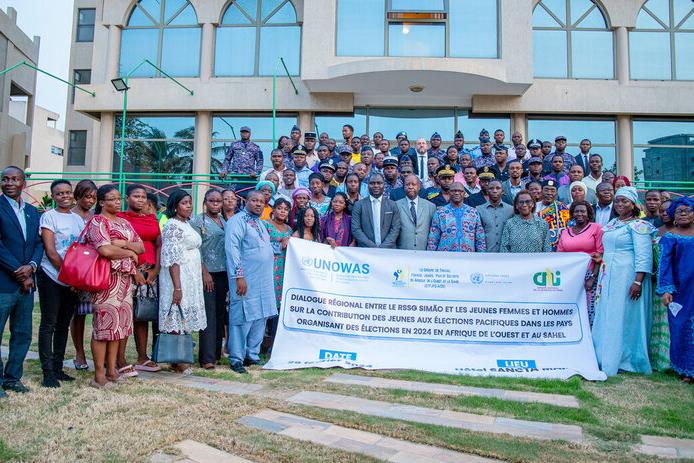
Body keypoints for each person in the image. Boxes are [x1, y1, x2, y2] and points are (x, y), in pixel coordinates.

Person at [592, 187, 655, 376]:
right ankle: (603, 355)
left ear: (633, 204)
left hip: (626, 275)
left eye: (624, 201)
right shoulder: (613, 223)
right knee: (607, 311)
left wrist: (638, 282)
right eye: (617, 201)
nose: (620, 204)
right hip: (607, 273)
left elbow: (644, 255)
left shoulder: (639, 225)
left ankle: (626, 358)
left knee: (622, 313)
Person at [85, 185, 143, 388]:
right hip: (106, 281)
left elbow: (141, 246)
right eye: (112, 199)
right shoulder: (98, 222)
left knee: (118, 327)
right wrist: (130, 252)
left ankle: (112, 370)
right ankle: (99, 374)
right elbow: (105, 250)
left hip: (125, 281)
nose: (118, 202)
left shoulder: (124, 222)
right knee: (104, 328)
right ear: (102, 202)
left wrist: (123, 244)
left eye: (119, 199)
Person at [0, 166, 42, 396]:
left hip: (26, 285)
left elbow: (37, 243)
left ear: (23, 183)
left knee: (22, 334)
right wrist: (20, 272)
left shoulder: (32, 211)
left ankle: (12, 378)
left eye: (14, 179)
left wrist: (32, 266)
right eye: (5, 179)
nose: (9, 183)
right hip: (4, 283)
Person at [36, 180, 82, 387]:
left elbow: (81, 250)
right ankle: (47, 372)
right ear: (53, 196)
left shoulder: (77, 219)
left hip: (71, 280)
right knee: (49, 324)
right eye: (59, 193)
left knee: (63, 324)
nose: (64, 196)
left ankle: (58, 368)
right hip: (52, 276)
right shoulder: (49, 217)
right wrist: (68, 276)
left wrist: (76, 278)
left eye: (68, 192)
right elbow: (51, 251)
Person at [225, 190, 277, 373]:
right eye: (254, 200)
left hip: (263, 280)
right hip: (245, 278)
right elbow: (232, 249)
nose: (258, 204)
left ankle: (252, 354)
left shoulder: (260, 223)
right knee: (242, 316)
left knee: (260, 315)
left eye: (261, 201)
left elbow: (265, 247)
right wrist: (239, 276)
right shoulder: (237, 221)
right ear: (246, 201)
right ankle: (236, 358)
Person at [117, 184, 163, 376]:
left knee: (142, 314)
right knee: (125, 316)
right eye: (136, 196)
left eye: (143, 197)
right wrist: (134, 270)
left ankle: (142, 357)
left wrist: (156, 270)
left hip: (150, 273)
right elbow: (119, 246)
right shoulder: (120, 218)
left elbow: (159, 244)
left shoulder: (152, 218)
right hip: (128, 272)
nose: (140, 200)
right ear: (127, 198)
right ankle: (119, 359)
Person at [159, 190, 206, 375]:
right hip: (178, 278)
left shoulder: (186, 223)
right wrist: (177, 287)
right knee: (176, 315)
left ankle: (181, 356)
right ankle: (176, 359)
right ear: (175, 205)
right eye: (184, 203)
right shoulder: (172, 225)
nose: (189, 206)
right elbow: (172, 259)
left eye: (190, 202)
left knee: (184, 315)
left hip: (191, 276)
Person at [190, 190, 229, 369]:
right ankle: (206, 358)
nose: (215, 204)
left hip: (223, 272)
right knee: (209, 314)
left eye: (218, 201)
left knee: (220, 313)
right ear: (205, 202)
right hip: (207, 273)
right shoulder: (198, 221)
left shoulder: (224, 221)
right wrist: (204, 273)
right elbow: (196, 249)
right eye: (212, 201)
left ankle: (216, 353)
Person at [657, 197, 694, 383]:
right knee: (681, 327)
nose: (684, 214)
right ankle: (686, 370)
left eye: (688, 210)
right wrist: (666, 290)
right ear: (674, 215)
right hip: (680, 291)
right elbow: (664, 265)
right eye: (679, 211)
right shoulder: (670, 237)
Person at [557, 201, 604, 326]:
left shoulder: (596, 228)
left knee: (589, 308)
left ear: (588, 214)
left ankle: (589, 335)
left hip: (590, 275)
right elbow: (560, 256)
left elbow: (600, 253)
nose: (579, 214)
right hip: (570, 277)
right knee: (571, 307)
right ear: (572, 214)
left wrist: (593, 277)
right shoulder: (565, 232)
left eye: (583, 211)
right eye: (576, 211)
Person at [69, 179, 97, 370]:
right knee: (78, 314)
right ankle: (79, 353)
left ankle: (99, 353)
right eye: (87, 196)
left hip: (95, 270)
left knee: (98, 313)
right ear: (78, 195)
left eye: (93, 197)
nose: (90, 201)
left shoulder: (96, 216)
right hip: (77, 270)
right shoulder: (70, 215)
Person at [262, 198, 292, 352]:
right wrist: (280, 245)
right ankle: (257, 345)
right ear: (273, 210)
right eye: (279, 208)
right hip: (267, 269)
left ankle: (273, 346)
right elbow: (261, 245)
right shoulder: (265, 225)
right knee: (264, 306)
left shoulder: (289, 229)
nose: (282, 211)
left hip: (283, 271)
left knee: (278, 309)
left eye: (286, 209)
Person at [427, 182, 486, 252]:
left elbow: (480, 238)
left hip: (468, 256)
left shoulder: (473, 212)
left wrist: (481, 254)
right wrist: (431, 256)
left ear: (464, 193)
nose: (457, 193)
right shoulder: (440, 213)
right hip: (445, 256)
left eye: (460, 191)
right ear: (449, 192)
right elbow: (433, 238)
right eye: (453, 191)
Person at [650, 199, 673, 373]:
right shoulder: (656, 232)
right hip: (656, 283)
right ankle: (658, 359)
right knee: (659, 322)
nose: (664, 213)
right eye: (662, 210)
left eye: (668, 210)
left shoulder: (686, 232)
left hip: (678, 283)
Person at [351, 173, 401, 248]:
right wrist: (372, 247)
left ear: (384, 185)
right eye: (372, 183)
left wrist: (383, 247)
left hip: (388, 250)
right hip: (365, 250)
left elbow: (395, 228)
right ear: (368, 185)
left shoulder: (392, 204)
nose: (376, 186)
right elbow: (356, 229)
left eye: (379, 183)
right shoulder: (359, 205)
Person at [396, 175, 436, 250]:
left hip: (424, 251)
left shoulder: (430, 206)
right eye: (407, 184)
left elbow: (434, 231)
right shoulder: (396, 205)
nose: (410, 187)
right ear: (403, 187)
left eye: (413, 184)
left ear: (419, 187)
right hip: (403, 250)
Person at [477, 180, 514, 252]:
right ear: (487, 191)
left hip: (506, 254)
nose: (494, 191)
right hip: (486, 253)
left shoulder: (511, 210)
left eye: (498, 188)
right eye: (491, 188)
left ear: (502, 191)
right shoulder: (479, 210)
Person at [537, 180, 570, 250]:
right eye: (546, 190)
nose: (549, 193)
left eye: (552, 190)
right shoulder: (533, 207)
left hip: (559, 246)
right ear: (541, 191)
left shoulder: (562, 207)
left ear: (556, 193)